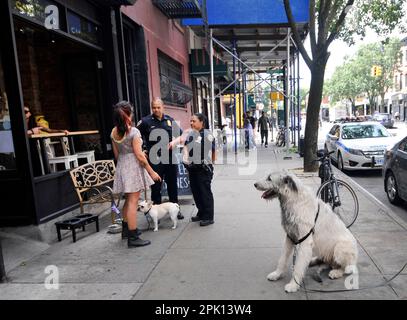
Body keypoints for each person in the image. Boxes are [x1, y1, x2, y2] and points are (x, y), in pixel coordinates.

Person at [111, 101, 161, 248]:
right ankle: (132, 237)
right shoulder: (134, 132)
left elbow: (116, 155)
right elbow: (139, 156)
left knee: (128, 201)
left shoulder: (113, 132)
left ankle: (126, 230)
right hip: (133, 168)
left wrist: (130, 153)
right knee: (133, 202)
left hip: (122, 167)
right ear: (129, 115)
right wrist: (152, 172)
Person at [137, 98, 184, 219]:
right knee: (156, 187)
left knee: (172, 186)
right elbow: (135, 136)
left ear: (163, 107)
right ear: (151, 108)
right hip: (154, 160)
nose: (156, 110)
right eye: (154, 107)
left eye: (158, 107)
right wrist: (141, 149)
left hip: (169, 158)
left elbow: (181, 135)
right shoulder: (145, 121)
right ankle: (155, 213)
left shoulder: (169, 120)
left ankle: (176, 210)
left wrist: (174, 142)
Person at [182, 113, 216, 227]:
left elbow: (210, 151)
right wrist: (186, 160)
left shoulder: (207, 134)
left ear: (202, 122)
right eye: (190, 121)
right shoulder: (191, 134)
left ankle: (208, 216)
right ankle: (201, 212)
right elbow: (186, 147)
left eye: (194, 121)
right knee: (196, 192)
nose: (191, 123)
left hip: (203, 168)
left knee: (205, 192)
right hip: (193, 168)